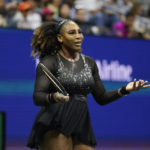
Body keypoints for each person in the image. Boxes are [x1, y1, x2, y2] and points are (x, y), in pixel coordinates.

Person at [27, 19, 150, 150]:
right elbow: (38, 97)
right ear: (60, 38)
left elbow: (102, 97)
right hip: (55, 121)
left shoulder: (90, 63)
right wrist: (54, 97)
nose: (78, 36)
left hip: (81, 120)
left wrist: (125, 89)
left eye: (80, 32)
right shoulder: (49, 62)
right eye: (72, 33)